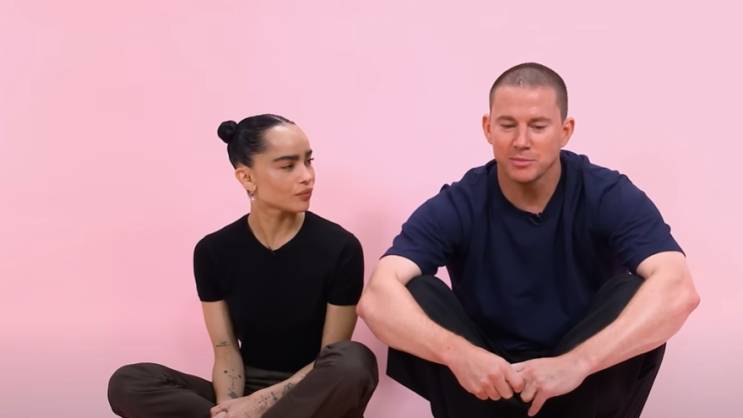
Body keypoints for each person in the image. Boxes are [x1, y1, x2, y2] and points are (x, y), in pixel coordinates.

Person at [357, 63, 700, 418]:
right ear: (488, 128)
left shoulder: (606, 193)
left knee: (637, 291)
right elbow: (376, 298)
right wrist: (457, 354)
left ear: (565, 131)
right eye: (507, 125)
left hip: (580, 389)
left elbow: (679, 290)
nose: (521, 141)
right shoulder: (461, 201)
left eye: (538, 126)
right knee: (414, 290)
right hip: (485, 390)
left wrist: (577, 363)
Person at [108, 114, 378, 418]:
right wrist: (233, 407)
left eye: (308, 161)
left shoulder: (340, 247)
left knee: (353, 361)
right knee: (129, 381)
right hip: (246, 387)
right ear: (247, 178)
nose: (307, 176)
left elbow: (330, 357)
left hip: (311, 393)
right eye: (288, 166)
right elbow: (225, 349)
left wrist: (257, 405)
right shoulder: (213, 251)